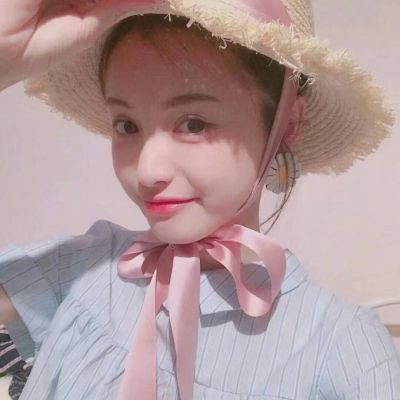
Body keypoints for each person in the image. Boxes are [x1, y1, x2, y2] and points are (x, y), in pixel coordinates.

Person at [0, 0, 399, 399]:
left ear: (287, 124)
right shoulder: (88, 266)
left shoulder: (340, 346)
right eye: (127, 125)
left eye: (193, 124)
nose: (148, 171)